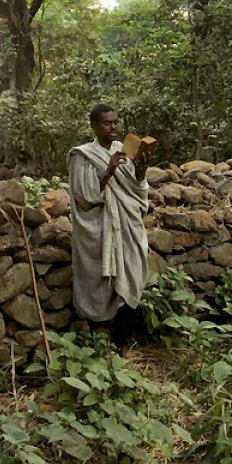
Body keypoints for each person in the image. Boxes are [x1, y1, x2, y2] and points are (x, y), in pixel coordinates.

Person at [68, 104, 152, 340]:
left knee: (132, 271)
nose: (113, 127)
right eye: (107, 123)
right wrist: (109, 169)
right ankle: (99, 336)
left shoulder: (125, 150)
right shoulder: (82, 156)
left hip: (127, 224)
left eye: (115, 122)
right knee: (100, 281)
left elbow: (136, 191)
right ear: (94, 125)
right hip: (100, 227)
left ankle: (124, 338)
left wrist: (142, 171)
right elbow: (85, 197)